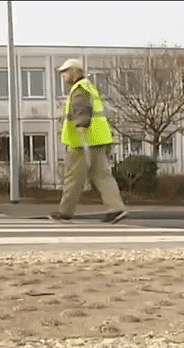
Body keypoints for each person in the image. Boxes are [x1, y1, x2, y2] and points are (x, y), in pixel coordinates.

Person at [49, 59, 127, 224]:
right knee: (103, 176)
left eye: (65, 73)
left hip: (82, 142)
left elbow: (81, 108)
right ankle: (116, 209)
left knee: (74, 178)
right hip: (98, 139)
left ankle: (65, 212)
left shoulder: (79, 89)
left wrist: (81, 125)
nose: (63, 77)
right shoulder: (90, 87)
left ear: (75, 72)